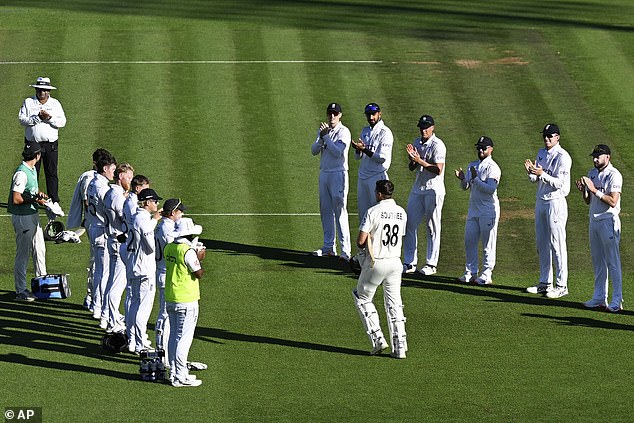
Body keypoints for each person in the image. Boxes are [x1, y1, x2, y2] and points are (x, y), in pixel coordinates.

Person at [352, 180, 408, 359]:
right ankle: (400, 347)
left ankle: (377, 339)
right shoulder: (401, 212)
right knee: (394, 304)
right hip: (395, 262)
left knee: (362, 297)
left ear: (378, 194)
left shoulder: (373, 211)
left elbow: (361, 241)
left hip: (376, 263)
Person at [524, 123, 572, 299]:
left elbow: (561, 184)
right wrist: (531, 172)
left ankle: (562, 285)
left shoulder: (563, 157)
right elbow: (534, 179)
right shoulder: (541, 152)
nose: (546, 139)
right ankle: (545, 283)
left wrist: (541, 173)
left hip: (556, 203)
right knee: (542, 243)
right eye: (545, 136)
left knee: (557, 244)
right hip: (541, 201)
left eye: (550, 136)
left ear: (557, 137)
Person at [575, 144, 623, 312]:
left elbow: (613, 201)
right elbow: (589, 201)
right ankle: (599, 297)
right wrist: (584, 191)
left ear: (607, 157)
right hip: (594, 221)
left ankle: (617, 300)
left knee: (613, 262)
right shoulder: (592, 173)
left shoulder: (614, 175)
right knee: (598, 261)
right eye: (594, 156)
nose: (595, 159)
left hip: (608, 222)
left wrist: (594, 189)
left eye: (598, 156)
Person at [66, 149, 112, 310]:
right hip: (96, 227)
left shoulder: (92, 179)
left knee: (98, 266)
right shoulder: (92, 181)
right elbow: (87, 202)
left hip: (94, 225)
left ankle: (94, 298)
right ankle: (92, 298)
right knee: (97, 266)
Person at [155, 200, 201, 353]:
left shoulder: (164, 225)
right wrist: (193, 253)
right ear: (173, 212)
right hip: (168, 275)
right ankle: (162, 351)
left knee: (169, 320)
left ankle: (166, 354)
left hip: (166, 272)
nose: (182, 214)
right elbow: (177, 252)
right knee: (165, 318)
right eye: (180, 211)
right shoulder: (167, 228)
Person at [402, 115, 446, 276]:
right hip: (418, 188)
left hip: (433, 190)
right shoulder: (416, 142)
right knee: (409, 224)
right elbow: (411, 168)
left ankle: (431, 264)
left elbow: (438, 170)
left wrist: (419, 160)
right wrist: (412, 160)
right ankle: (409, 262)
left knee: (432, 227)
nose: (423, 129)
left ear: (433, 127)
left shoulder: (438, 145)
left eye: (426, 126)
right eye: (421, 126)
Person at [165, 218, 206, 387]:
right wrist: (200, 257)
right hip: (186, 299)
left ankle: (175, 372)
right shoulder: (187, 251)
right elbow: (199, 273)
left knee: (174, 336)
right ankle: (180, 376)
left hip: (171, 297)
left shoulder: (169, 247)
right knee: (184, 339)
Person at [454, 136, 501, 285]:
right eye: (479, 147)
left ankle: (487, 273)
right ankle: (470, 272)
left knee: (488, 244)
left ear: (491, 149)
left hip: (488, 211)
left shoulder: (493, 167)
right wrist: (462, 179)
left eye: (484, 148)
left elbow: (490, 189)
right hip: (473, 210)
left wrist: (475, 180)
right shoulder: (472, 165)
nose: (480, 150)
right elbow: (465, 187)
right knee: (470, 241)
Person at [310, 102, 352, 260]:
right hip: (325, 173)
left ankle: (346, 251)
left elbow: (337, 152)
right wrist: (322, 138)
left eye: (335, 113)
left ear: (340, 115)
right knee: (325, 210)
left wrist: (326, 136)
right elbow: (314, 151)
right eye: (330, 113)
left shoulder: (344, 132)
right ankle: (329, 246)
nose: (332, 116)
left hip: (338, 174)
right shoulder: (323, 131)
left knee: (340, 211)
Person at [8, 142, 48, 301]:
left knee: (40, 249)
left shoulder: (31, 170)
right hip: (23, 218)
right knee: (23, 254)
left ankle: (42, 285)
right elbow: (16, 198)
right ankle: (21, 290)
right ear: (37, 156)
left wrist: (40, 195)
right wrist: (35, 200)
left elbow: (31, 189)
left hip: (32, 215)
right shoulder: (21, 173)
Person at [18, 77, 67, 204]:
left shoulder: (55, 104)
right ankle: (30, 198)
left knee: (51, 172)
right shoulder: (28, 102)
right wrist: (37, 118)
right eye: (39, 89)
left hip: (50, 144)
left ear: (49, 91)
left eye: (44, 90)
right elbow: (22, 119)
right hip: (33, 144)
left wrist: (49, 118)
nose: (41, 92)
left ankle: (54, 200)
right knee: (32, 172)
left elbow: (62, 122)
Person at [126, 188, 162, 354]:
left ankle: (132, 339)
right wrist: (154, 222)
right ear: (147, 203)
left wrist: (154, 220)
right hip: (144, 269)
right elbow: (150, 246)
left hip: (133, 265)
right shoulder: (143, 219)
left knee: (134, 304)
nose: (157, 204)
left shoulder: (136, 215)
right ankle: (140, 343)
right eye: (155, 201)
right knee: (143, 308)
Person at [102, 163, 135, 333]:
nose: (130, 181)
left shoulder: (111, 192)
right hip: (118, 240)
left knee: (112, 281)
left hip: (112, 238)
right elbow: (126, 218)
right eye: (129, 177)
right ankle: (113, 321)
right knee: (117, 284)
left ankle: (108, 315)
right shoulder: (117, 196)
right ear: (120, 176)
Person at [85, 151, 117, 321]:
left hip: (93, 228)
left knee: (99, 270)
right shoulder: (103, 187)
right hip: (102, 231)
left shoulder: (92, 183)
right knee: (104, 272)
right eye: (112, 169)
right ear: (105, 168)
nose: (114, 172)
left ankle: (97, 304)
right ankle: (101, 307)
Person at [351, 103, 394, 221]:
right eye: (368, 115)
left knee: (377, 215)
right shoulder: (365, 131)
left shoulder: (385, 133)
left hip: (377, 177)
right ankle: (366, 240)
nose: (371, 118)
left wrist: (364, 149)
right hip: (363, 177)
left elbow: (382, 158)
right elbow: (357, 157)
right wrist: (357, 150)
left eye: (373, 114)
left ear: (379, 114)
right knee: (363, 216)